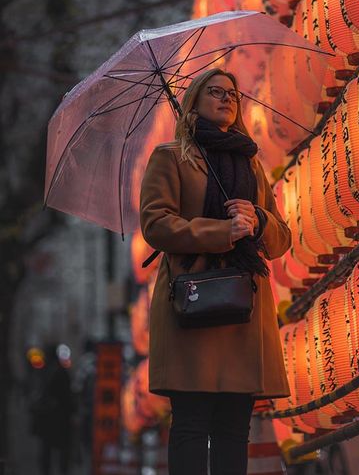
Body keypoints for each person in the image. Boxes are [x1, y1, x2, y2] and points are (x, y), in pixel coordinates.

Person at [140, 68, 291, 475]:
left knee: (233, 426)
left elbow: (281, 238)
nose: (227, 99)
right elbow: (156, 224)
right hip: (192, 302)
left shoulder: (250, 162)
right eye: (215, 92)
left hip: (244, 304)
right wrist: (222, 231)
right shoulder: (171, 157)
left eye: (233, 94)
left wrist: (257, 219)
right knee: (191, 421)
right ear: (194, 100)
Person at [29, 345, 72, 475]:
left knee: (46, 450)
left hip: (47, 418)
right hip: (60, 418)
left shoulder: (44, 372)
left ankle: (46, 471)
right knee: (62, 450)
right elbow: (67, 396)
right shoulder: (61, 372)